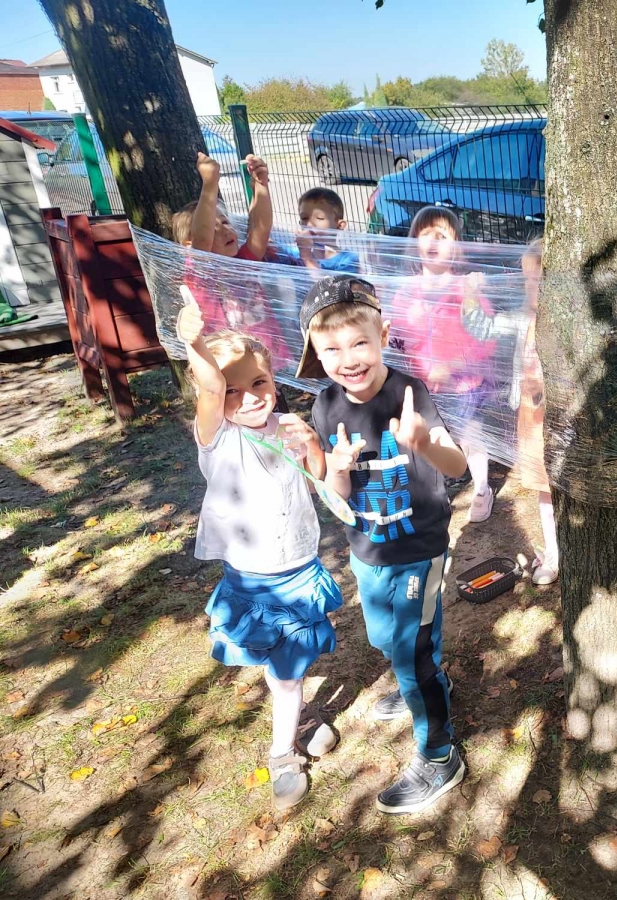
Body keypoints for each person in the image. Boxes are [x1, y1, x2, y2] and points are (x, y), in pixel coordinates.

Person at [296, 274, 469, 816]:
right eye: (332, 349)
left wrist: (423, 443)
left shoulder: (410, 394)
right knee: (385, 640)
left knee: (411, 653)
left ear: (384, 336)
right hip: (366, 549)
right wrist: (336, 469)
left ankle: (439, 756)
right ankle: (425, 677)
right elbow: (338, 492)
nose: (348, 359)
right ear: (315, 352)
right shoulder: (325, 405)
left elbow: (456, 465)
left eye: (359, 343)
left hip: (418, 549)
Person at [177, 290, 342, 812]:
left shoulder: (287, 427)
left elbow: (318, 478)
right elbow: (210, 385)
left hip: (299, 573)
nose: (249, 398)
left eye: (259, 383)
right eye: (233, 390)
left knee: (289, 670)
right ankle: (287, 743)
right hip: (252, 581)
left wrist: (312, 445)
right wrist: (194, 344)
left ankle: (288, 734)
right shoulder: (219, 438)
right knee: (283, 670)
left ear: (273, 381)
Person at [388, 206, 496, 522]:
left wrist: (452, 365)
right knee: (430, 438)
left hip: (463, 384)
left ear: (457, 248)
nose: (434, 240)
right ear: (414, 243)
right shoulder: (405, 292)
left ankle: (481, 487)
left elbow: (485, 337)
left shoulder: (467, 289)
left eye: (442, 235)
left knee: (470, 434)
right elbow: (398, 337)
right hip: (422, 386)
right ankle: (435, 492)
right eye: (426, 234)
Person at [460, 237, 558, 584]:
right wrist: (470, 295)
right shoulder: (522, 320)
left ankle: (573, 547)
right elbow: (482, 327)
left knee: (567, 488)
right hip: (532, 421)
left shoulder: (570, 328)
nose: (532, 288)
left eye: (539, 281)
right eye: (527, 280)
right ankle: (553, 553)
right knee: (545, 490)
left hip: (563, 422)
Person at [171, 152, 290, 369]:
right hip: (229, 368)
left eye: (225, 222)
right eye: (214, 228)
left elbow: (260, 229)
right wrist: (210, 184)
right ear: (189, 246)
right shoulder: (199, 274)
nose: (225, 230)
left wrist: (261, 185)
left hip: (269, 363)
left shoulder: (243, 261)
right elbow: (202, 239)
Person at [276, 187, 361, 273]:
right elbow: (274, 248)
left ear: (339, 225)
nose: (309, 224)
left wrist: (306, 257)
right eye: (304, 218)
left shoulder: (347, 260)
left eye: (320, 218)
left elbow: (324, 282)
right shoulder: (295, 253)